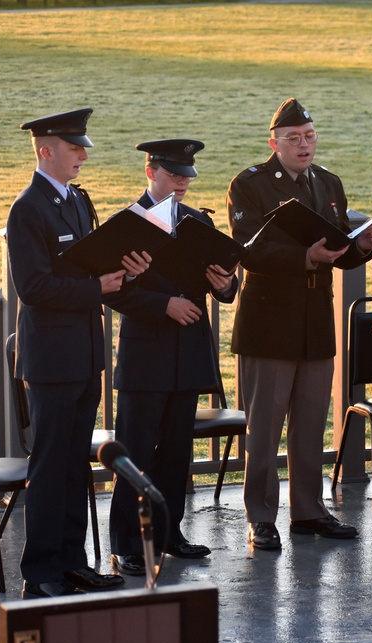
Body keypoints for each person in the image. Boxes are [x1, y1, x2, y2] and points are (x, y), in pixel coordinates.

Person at [6, 108, 150, 598]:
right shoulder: (29, 208)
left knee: (73, 465)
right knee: (50, 467)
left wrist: (123, 271)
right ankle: (42, 571)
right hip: (51, 360)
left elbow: (88, 266)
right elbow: (34, 288)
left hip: (85, 355)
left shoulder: (74, 201)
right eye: (74, 147)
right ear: (46, 150)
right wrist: (97, 288)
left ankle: (70, 562)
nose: (83, 155)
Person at [228, 97, 372, 550]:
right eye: (293, 138)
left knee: (311, 424)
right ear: (273, 143)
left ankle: (308, 511)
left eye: (309, 136)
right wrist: (304, 256)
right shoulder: (250, 185)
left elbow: (338, 250)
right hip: (269, 321)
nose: (303, 145)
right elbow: (247, 250)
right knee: (265, 426)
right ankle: (260, 517)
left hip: (316, 321)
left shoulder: (329, 182)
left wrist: (365, 246)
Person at [106, 139, 239, 577]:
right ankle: (125, 542)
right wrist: (164, 305)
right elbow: (116, 291)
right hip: (147, 355)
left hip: (187, 354)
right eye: (172, 175)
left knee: (176, 451)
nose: (181, 183)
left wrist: (223, 285)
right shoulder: (128, 224)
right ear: (151, 172)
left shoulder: (197, 221)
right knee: (136, 452)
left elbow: (225, 285)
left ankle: (169, 532)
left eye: (186, 176)